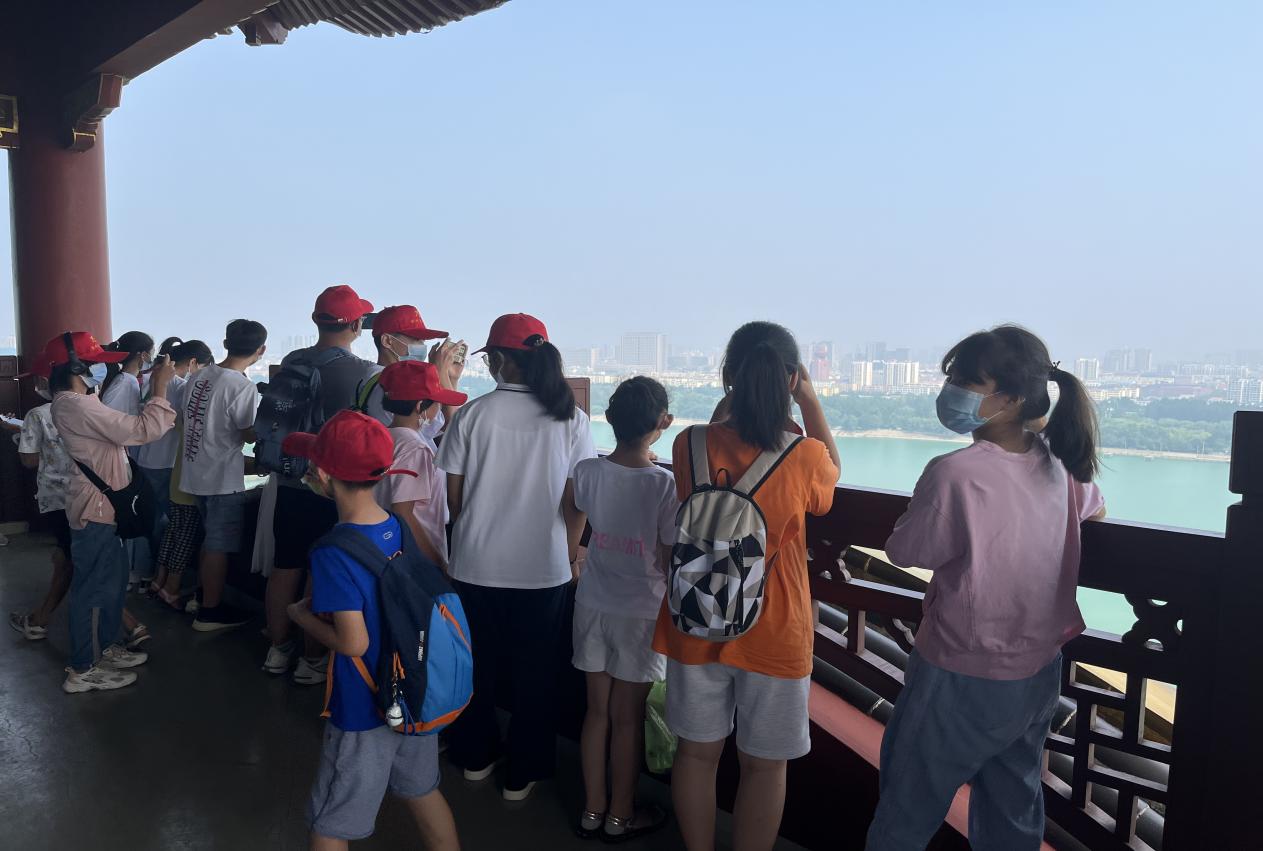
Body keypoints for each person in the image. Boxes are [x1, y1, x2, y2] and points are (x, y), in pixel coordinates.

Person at [865, 325, 1106, 851]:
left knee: (907, 810)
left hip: (959, 668)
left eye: (968, 381)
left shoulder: (955, 473)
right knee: (1012, 811)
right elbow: (1096, 510)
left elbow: (908, 550)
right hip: (1037, 669)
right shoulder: (1060, 461)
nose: (952, 390)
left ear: (1012, 398)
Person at [654, 321, 840, 851]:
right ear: (791, 378)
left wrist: (734, 397)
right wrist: (808, 402)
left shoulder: (688, 443)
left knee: (696, 754)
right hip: (774, 630)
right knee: (764, 765)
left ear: (728, 375)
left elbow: (718, 445)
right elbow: (831, 482)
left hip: (694, 616)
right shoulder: (804, 457)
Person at [280, 410, 460, 851]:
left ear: (323, 476)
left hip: (365, 706)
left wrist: (300, 616)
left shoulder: (332, 553)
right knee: (422, 790)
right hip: (413, 693)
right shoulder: (396, 527)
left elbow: (354, 642)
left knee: (330, 822)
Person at [436, 313, 595, 801]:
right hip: (543, 569)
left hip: (474, 564)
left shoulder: (472, 415)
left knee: (475, 666)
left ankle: (475, 756)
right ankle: (522, 773)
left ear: (501, 360)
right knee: (536, 674)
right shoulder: (571, 419)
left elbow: (455, 499)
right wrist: (570, 554)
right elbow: (577, 500)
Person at [569, 376, 676, 842]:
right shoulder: (665, 485)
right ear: (663, 423)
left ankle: (591, 811)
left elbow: (576, 517)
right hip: (642, 612)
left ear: (609, 418)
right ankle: (620, 816)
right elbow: (668, 556)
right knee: (627, 717)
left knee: (596, 713)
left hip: (592, 601)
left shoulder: (587, 472)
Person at [47, 331, 177, 693]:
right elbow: (143, 429)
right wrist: (161, 387)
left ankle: (104, 647)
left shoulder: (78, 402)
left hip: (107, 509)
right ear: (76, 368)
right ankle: (83, 668)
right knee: (92, 591)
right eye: (94, 363)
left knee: (112, 584)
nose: (102, 368)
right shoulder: (76, 405)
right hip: (96, 510)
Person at [264, 285, 379, 684]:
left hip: (288, 478)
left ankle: (278, 649)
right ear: (357, 325)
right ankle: (312, 659)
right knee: (321, 570)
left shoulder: (292, 361)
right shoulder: (364, 372)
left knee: (285, 565)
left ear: (316, 321)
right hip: (331, 487)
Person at [179, 320, 267, 632]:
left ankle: (202, 597)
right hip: (221, 479)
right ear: (261, 350)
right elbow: (249, 433)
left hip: (195, 471)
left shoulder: (199, 375)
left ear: (226, 343)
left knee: (209, 539)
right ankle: (210, 613)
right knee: (219, 546)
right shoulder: (242, 387)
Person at [374, 360, 467, 569]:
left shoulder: (382, 437)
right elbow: (403, 514)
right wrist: (439, 565)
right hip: (416, 560)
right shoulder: (415, 449)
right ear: (420, 406)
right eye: (437, 402)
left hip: (385, 551)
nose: (439, 408)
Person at [7, 369, 77, 641]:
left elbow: (29, 460)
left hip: (57, 498)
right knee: (65, 558)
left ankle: (132, 625)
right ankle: (39, 618)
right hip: (89, 496)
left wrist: (26, 436)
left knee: (79, 564)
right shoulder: (93, 411)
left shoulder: (38, 414)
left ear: (49, 384)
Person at [150, 340, 214, 608]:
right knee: (185, 533)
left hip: (177, 470)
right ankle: (172, 588)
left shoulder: (173, 389)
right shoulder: (191, 391)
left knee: (173, 529)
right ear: (194, 363)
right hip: (190, 474)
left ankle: (159, 580)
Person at [134, 335, 187, 592]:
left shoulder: (149, 380)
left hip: (145, 458)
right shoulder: (180, 386)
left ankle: (149, 573)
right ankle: (158, 573)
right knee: (173, 523)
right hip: (167, 462)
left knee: (152, 519)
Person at [362, 304, 466, 434]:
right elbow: (454, 428)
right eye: (416, 340)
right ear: (387, 341)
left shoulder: (374, 375)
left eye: (423, 341)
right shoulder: (391, 384)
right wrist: (440, 372)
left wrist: (452, 378)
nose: (422, 346)